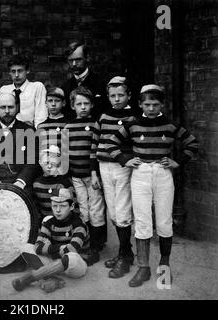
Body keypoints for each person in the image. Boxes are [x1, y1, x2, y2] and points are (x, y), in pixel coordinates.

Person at [107, 84, 199, 287]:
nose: (151, 108)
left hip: (163, 173)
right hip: (140, 174)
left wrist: (178, 162)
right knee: (142, 221)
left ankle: (164, 266)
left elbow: (192, 143)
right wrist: (125, 159)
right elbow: (111, 143)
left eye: (155, 104)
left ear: (162, 105)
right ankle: (143, 268)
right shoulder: (132, 124)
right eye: (147, 104)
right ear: (139, 104)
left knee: (164, 222)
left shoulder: (169, 124)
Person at [97, 76, 136, 279]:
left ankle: (125, 257)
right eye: (113, 96)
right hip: (105, 166)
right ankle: (125, 252)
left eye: (121, 95)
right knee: (112, 211)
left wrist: (128, 160)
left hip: (122, 167)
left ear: (129, 95)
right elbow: (99, 141)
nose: (117, 99)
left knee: (122, 211)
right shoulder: (104, 115)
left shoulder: (133, 117)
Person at [12, 188, 88, 292]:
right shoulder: (48, 222)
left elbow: (72, 249)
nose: (57, 210)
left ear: (72, 206)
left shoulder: (79, 224)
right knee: (25, 248)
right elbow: (38, 247)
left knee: (71, 257)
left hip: (75, 266)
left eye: (63, 206)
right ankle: (54, 280)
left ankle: (32, 277)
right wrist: (61, 248)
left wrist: (48, 248)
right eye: (54, 206)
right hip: (55, 262)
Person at [64, 87, 106, 265]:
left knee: (96, 209)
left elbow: (95, 151)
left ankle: (96, 246)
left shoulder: (96, 125)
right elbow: (65, 153)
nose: (83, 107)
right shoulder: (68, 127)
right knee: (83, 209)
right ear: (73, 106)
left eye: (86, 103)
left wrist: (94, 173)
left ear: (92, 105)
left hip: (92, 175)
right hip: (76, 176)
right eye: (79, 104)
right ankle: (86, 243)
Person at [0, 92, 40, 191]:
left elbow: (33, 160)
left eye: (10, 107)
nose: (7, 111)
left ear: (17, 108)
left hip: (21, 185)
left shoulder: (28, 130)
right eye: (2, 107)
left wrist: (21, 181)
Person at [0, 54, 47, 128]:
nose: (16, 75)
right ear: (10, 73)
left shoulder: (36, 87)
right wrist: (2, 126)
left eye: (20, 71)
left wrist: (36, 133)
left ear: (27, 71)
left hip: (29, 132)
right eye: (13, 71)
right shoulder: (4, 90)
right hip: (9, 132)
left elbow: (41, 114)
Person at [61, 41, 107, 119]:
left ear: (87, 58)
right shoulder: (65, 88)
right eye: (71, 60)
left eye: (78, 59)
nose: (74, 64)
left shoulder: (101, 83)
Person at [32, 145, 77, 221]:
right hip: (45, 223)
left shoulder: (64, 183)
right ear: (40, 163)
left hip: (64, 223)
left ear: (58, 163)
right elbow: (36, 208)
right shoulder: (37, 184)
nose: (49, 166)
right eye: (46, 163)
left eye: (53, 163)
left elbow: (74, 208)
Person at [36, 87, 69, 152]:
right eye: (50, 101)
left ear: (63, 103)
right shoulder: (41, 126)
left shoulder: (68, 124)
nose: (53, 104)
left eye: (57, 101)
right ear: (46, 103)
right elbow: (38, 148)